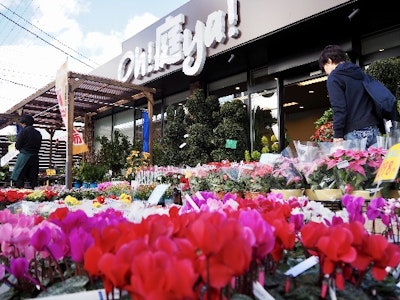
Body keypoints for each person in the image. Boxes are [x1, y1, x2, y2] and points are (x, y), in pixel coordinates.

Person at [318, 44, 380, 149]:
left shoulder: (334, 77)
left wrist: (338, 135)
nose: (326, 72)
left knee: (354, 165)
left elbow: (339, 107)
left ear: (329, 60)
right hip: (373, 129)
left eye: (324, 67)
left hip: (355, 132)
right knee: (377, 165)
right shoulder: (360, 73)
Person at [11, 114, 42, 188]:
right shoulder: (38, 133)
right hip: (35, 158)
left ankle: (19, 196)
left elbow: (17, 146)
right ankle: (35, 196)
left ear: (24, 123)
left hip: (24, 157)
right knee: (33, 179)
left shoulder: (23, 132)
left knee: (20, 178)